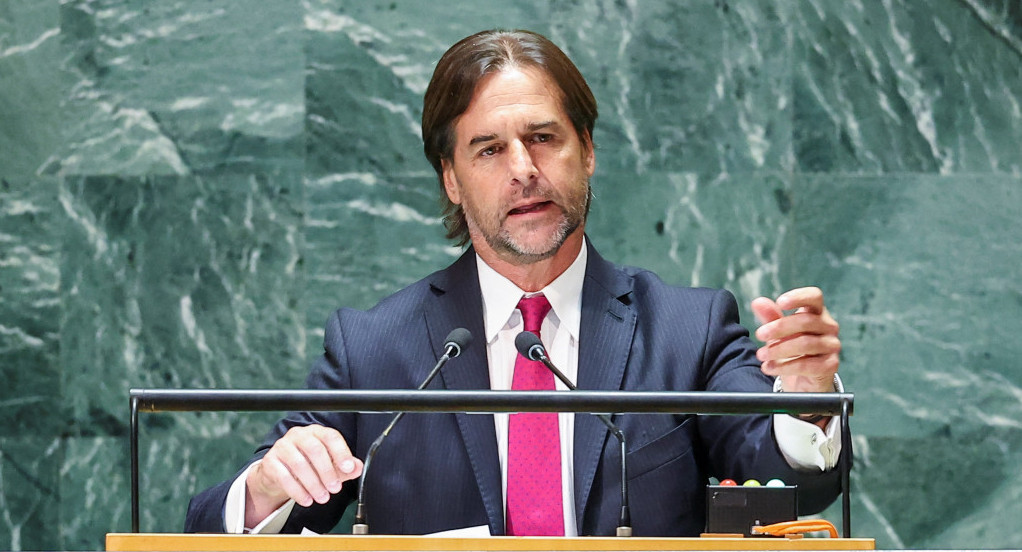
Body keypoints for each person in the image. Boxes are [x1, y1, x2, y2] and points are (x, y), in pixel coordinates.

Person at [185, 29, 844, 537]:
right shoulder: (373, 348)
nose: (524, 170)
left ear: (586, 151)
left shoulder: (685, 330)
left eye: (543, 138)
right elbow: (223, 524)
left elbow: (785, 482)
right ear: (450, 177)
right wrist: (271, 484)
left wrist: (807, 401)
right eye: (489, 149)